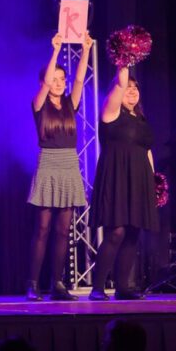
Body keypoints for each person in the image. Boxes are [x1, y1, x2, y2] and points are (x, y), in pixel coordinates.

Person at [26, 32, 92, 301]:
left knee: (64, 229)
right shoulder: (39, 104)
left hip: (68, 164)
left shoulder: (69, 104)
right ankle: (32, 283)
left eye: (61, 79)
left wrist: (85, 49)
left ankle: (57, 283)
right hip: (48, 163)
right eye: (55, 78)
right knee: (42, 228)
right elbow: (44, 85)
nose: (60, 82)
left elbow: (79, 79)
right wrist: (55, 50)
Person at [89, 66, 159, 300]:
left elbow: (147, 151)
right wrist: (125, 60)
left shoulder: (140, 119)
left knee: (132, 231)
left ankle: (123, 287)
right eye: (128, 87)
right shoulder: (111, 113)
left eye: (135, 88)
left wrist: (153, 180)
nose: (132, 91)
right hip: (117, 177)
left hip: (139, 180)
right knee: (116, 232)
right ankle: (97, 288)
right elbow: (120, 83)